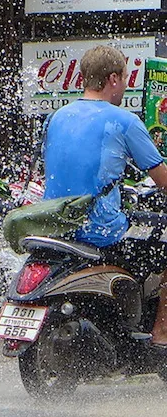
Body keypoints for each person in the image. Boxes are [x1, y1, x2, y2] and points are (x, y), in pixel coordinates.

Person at [44, 44, 167, 347]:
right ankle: (161, 333)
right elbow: (161, 177)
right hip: (98, 230)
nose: (125, 85)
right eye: (125, 78)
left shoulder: (57, 117)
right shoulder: (123, 121)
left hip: (54, 225)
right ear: (113, 79)